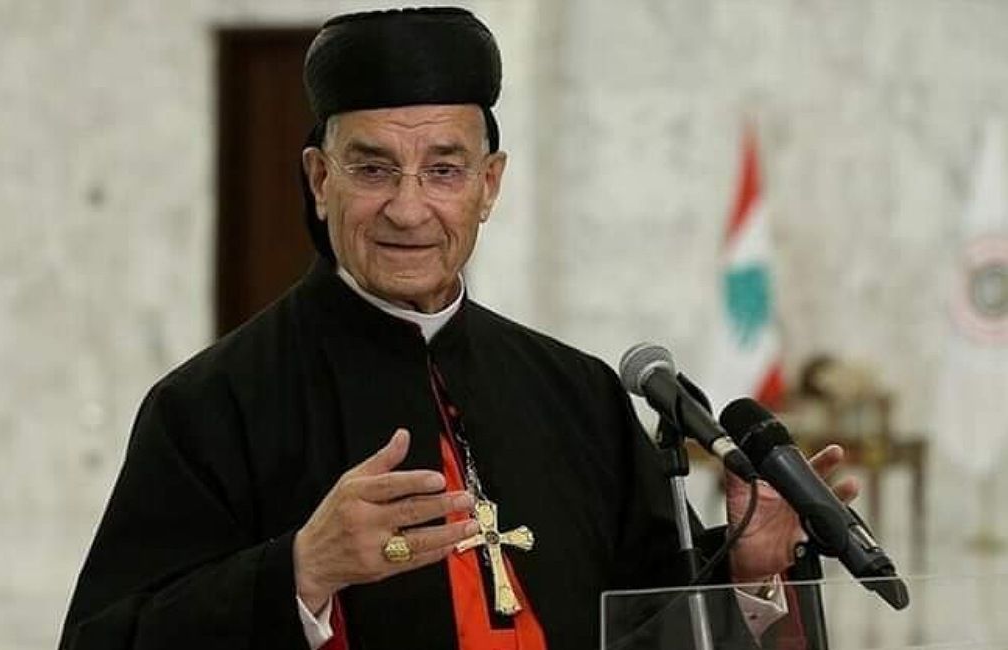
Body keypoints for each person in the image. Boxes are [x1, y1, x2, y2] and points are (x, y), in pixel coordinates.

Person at [59, 8, 857, 650]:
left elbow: (647, 624)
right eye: (373, 169)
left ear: (489, 185)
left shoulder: (575, 394)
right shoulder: (212, 404)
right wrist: (300, 573)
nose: (409, 209)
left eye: (443, 170)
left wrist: (747, 567)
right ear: (319, 180)